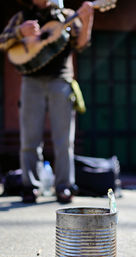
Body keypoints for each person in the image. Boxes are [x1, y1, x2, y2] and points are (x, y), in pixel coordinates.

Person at [0, 0, 94, 203]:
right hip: (30, 81)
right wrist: (19, 32)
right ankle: (29, 186)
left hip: (61, 79)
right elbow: (2, 42)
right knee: (29, 138)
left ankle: (64, 186)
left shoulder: (67, 15)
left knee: (64, 140)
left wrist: (88, 19)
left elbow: (82, 44)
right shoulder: (21, 17)